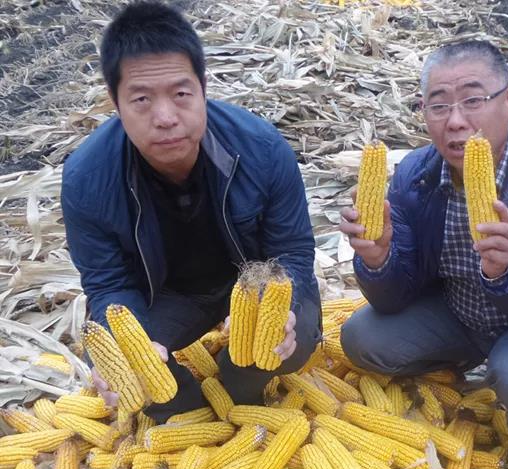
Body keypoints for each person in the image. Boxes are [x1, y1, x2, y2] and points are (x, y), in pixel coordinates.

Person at [339, 40, 508, 469]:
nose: (456, 121)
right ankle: (453, 379)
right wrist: (378, 258)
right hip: (460, 315)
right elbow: (395, 297)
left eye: (473, 100)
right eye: (439, 106)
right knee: (362, 337)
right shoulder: (415, 176)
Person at [61, 1, 321, 422]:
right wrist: (133, 349)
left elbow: (292, 249)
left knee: (288, 346)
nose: (165, 118)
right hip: (169, 298)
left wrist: (281, 307)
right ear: (115, 102)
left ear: (203, 88)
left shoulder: (262, 149)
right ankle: (187, 407)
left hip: (252, 287)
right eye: (141, 99)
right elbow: (108, 284)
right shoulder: (86, 179)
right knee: (124, 367)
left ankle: (240, 383)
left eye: (181, 95)